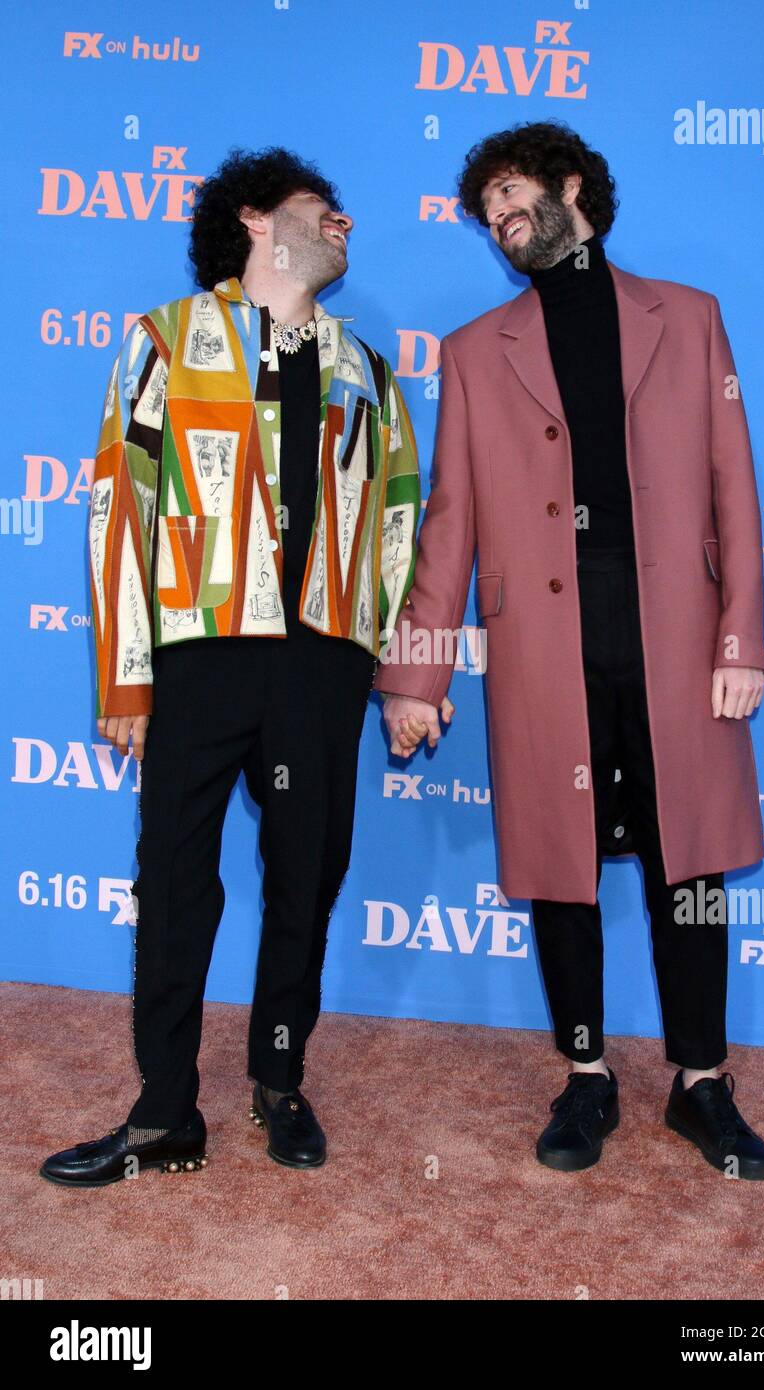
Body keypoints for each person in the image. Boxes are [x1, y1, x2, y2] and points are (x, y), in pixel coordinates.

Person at [376, 121, 764, 1180]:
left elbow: (733, 489)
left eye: (512, 199)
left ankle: (701, 1082)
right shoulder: (472, 352)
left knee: (686, 864)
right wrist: (414, 675)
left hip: (679, 640)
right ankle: (586, 1074)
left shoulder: (687, 319)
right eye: (488, 217)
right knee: (561, 864)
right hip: (543, 646)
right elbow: (449, 524)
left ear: (570, 187)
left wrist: (740, 640)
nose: (503, 225)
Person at [40, 147, 420, 1187]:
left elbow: (395, 527)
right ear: (256, 219)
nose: (343, 221)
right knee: (174, 880)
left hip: (317, 665)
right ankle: (164, 1112)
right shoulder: (167, 339)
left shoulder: (366, 374)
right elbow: (120, 505)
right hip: (198, 655)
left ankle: (278, 1080)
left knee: (307, 876)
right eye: (321, 206)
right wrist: (126, 677)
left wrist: (380, 666)